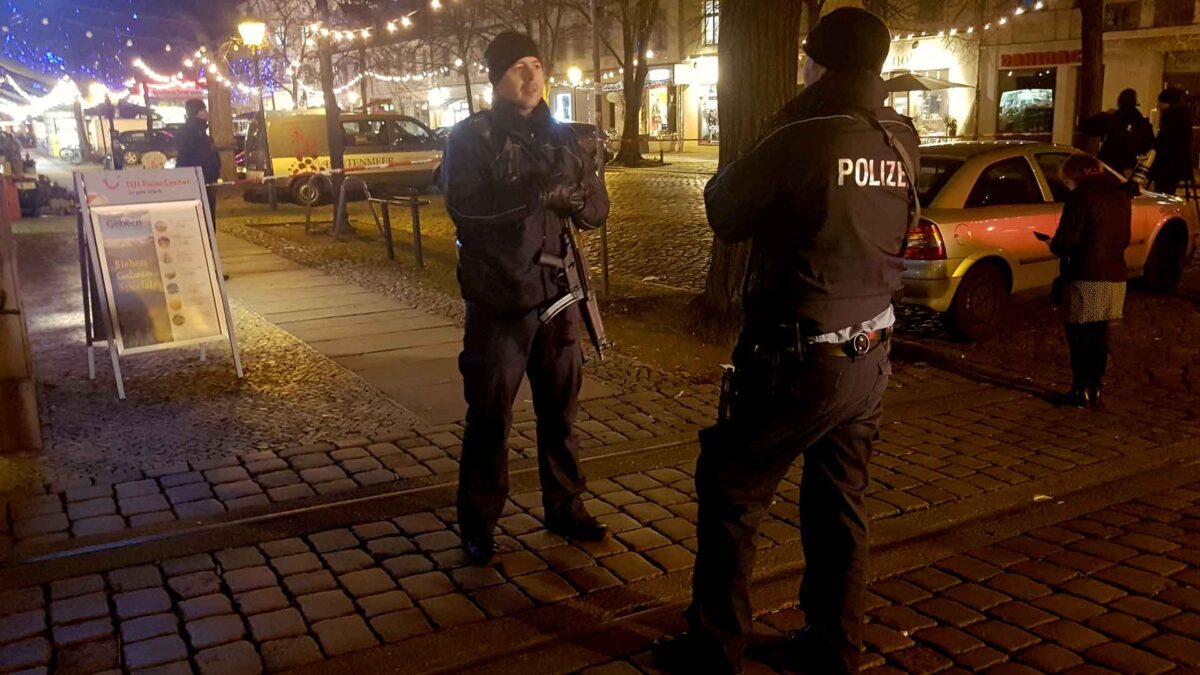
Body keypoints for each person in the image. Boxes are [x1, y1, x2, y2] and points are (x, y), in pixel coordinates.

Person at [651, 8, 918, 675]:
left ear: (819, 65)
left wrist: (766, 135)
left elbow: (724, 209)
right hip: (871, 351)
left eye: (807, 59)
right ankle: (835, 643)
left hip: (799, 352)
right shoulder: (900, 136)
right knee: (839, 502)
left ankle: (713, 647)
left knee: (732, 487)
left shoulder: (806, 135)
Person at [440, 32, 611, 565]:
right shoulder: (470, 137)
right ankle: (480, 519)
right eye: (519, 67)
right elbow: (466, 209)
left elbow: (596, 213)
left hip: (559, 298)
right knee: (490, 416)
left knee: (561, 413)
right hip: (500, 301)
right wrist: (534, 195)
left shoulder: (561, 135)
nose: (532, 77)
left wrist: (586, 191)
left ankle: (565, 505)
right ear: (497, 78)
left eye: (537, 65)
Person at [1049, 154, 1131, 408]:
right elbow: (1123, 237)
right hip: (1115, 274)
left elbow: (1067, 241)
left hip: (1086, 274)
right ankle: (1096, 388)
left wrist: (1054, 244)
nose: (1067, 183)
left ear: (1080, 173)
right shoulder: (1121, 195)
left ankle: (1080, 389)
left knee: (1080, 336)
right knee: (1099, 335)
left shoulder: (1081, 196)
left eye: (1068, 178)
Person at [1080, 88, 1155, 176]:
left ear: (1119, 102)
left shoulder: (1110, 118)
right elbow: (1149, 146)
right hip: (1128, 165)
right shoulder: (1142, 123)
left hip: (1108, 162)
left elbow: (1086, 127)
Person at [175, 99, 222, 224]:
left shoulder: (199, 131)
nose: (207, 113)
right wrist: (207, 174)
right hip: (200, 182)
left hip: (204, 180)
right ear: (198, 112)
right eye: (204, 110)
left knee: (207, 218)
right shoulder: (193, 133)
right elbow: (197, 157)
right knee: (204, 219)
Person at [1151, 87, 1192, 195]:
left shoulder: (1170, 117)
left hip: (1167, 166)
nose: (1158, 105)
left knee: (1161, 189)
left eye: (1160, 102)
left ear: (1167, 102)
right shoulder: (1184, 116)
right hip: (1181, 165)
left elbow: (1162, 143)